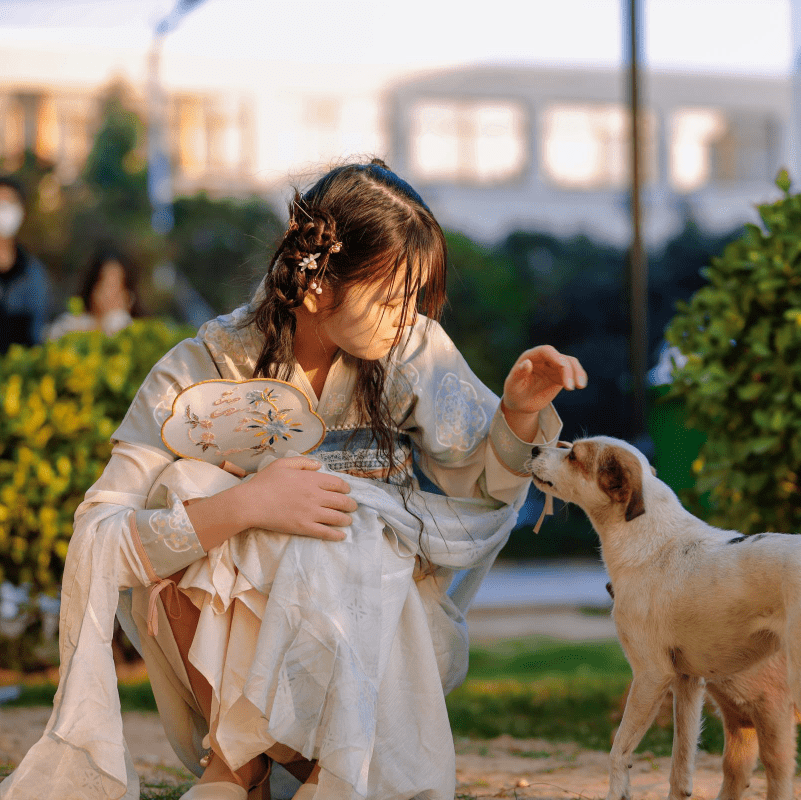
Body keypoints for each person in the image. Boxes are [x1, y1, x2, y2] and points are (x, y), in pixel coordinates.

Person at [0, 159, 587, 800]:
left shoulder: (411, 350)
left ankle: (329, 769)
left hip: (378, 625)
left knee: (357, 524)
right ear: (316, 288)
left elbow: (482, 490)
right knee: (192, 485)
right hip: (226, 651)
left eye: (416, 300)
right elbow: (102, 530)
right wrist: (248, 504)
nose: (408, 317)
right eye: (392, 298)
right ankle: (238, 768)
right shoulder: (203, 366)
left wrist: (519, 411)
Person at [0, 175, 53, 354]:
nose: (3, 210)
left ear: (22, 211)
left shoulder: (34, 274)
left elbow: (36, 334)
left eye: (9, 203)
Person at [46, 248, 142, 340]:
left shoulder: (130, 330)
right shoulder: (70, 325)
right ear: (92, 287)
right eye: (105, 284)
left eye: (117, 286)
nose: (110, 294)